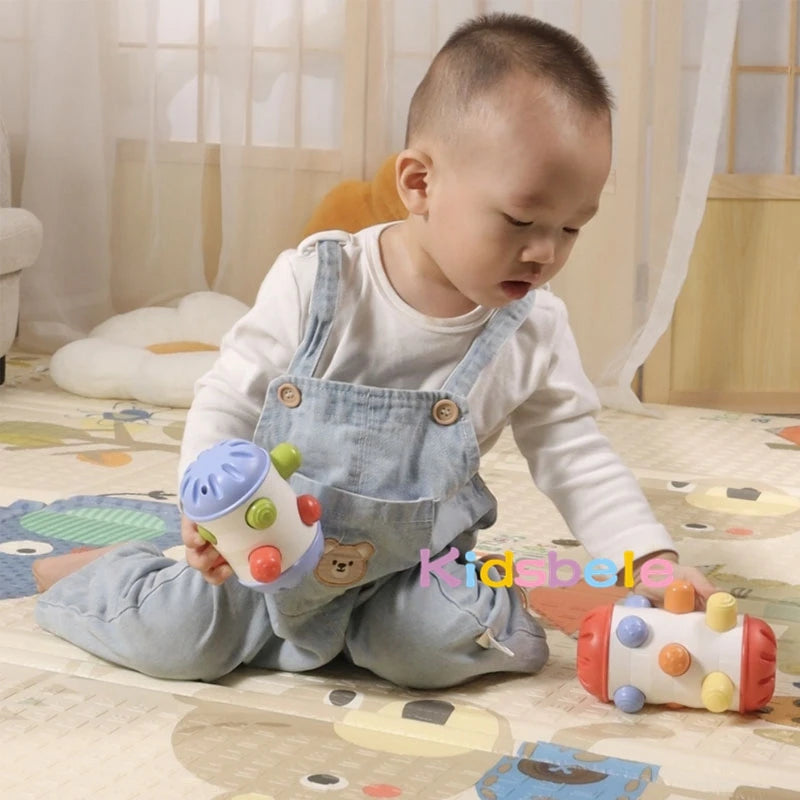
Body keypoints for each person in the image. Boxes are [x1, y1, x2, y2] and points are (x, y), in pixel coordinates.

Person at [33, 12, 715, 690]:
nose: (545, 252)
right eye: (520, 220)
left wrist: (649, 558)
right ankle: (106, 570)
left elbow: (576, 455)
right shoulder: (319, 281)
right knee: (178, 639)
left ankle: (420, 619)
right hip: (267, 552)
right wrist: (208, 515)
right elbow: (229, 395)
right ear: (419, 183)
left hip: (408, 574)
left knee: (435, 644)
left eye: (571, 228)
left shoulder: (533, 328)